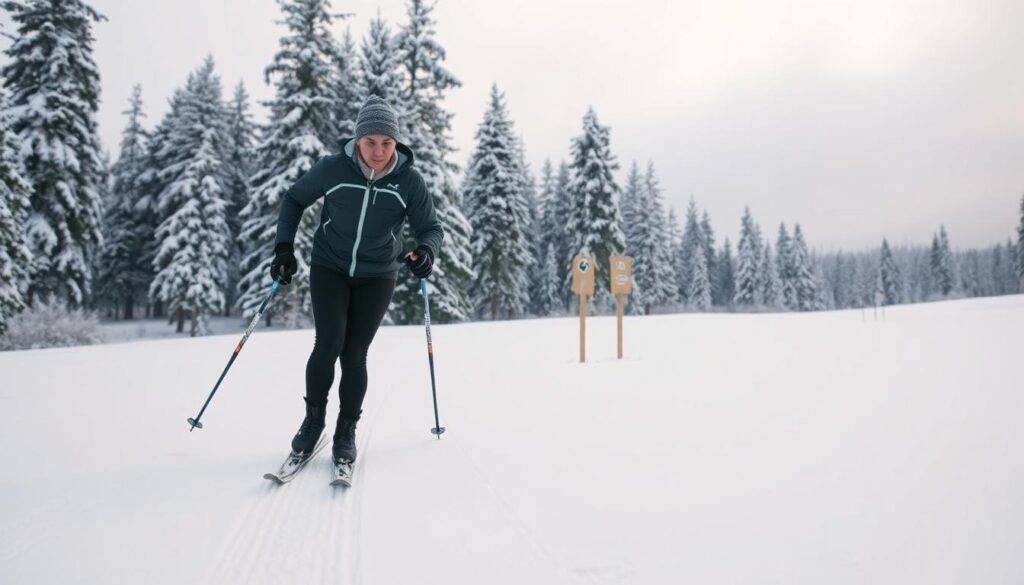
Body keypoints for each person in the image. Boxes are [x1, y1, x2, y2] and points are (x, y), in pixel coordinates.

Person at [269, 95, 444, 468]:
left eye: (387, 143)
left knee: (355, 353)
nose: (379, 151)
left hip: (378, 274)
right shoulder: (333, 170)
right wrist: (284, 247)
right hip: (329, 266)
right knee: (329, 341)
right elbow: (294, 199)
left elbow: (430, 228)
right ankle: (313, 423)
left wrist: (426, 251)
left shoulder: (408, 181)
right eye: (371, 142)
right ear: (357, 140)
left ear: (396, 143)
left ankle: (346, 430)